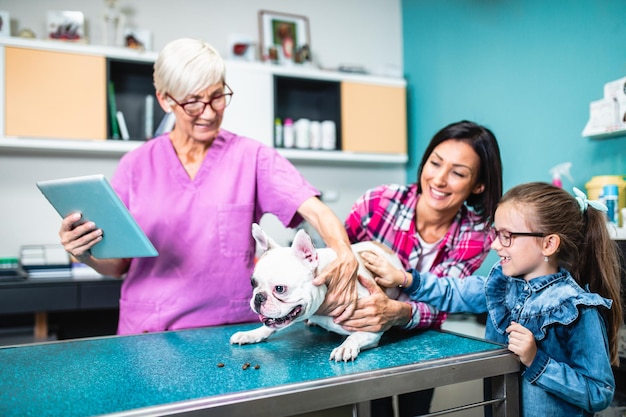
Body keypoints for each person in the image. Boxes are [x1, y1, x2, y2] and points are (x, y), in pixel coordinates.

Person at [58, 38, 358, 335]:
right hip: (150, 332)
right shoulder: (135, 166)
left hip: (228, 328)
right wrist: (86, 255)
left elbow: (317, 212)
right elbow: (118, 264)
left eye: (217, 96)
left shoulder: (252, 157)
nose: (209, 112)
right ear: (165, 100)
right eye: (193, 102)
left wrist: (345, 255)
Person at [362, 182, 623, 417]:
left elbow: (599, 393)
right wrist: (403, 278)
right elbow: (452, 291)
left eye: (507, 236)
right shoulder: (500, 286)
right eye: (495, 234)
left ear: (548, 244)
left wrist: (536, 360)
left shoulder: (576, 308)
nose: (496, 245)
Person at [342, 120, 503, 416]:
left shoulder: (476, 235)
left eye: (457, 173)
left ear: (478, 185)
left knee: (415, 409)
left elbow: (445, 301)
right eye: (435, 163)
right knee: (372, 410)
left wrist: (398, 312)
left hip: (421, 341)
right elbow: (336, 261)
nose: (439, 180)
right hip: (357, 331)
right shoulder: (377, 203)